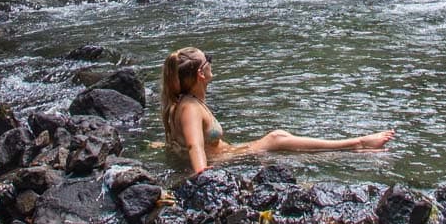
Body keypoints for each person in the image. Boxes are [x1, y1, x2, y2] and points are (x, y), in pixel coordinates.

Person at [160, 47, 396, 173]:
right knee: (276, 138)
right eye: (208, 60)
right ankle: (357, 144)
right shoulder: (190, 108)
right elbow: (194, 146)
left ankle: (353, 147)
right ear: (201, 73)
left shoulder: (185, 102)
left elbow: (183, 141)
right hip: (226, 159)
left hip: (229, 153)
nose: (212, 63)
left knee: (282, 140)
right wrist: (202, 176)